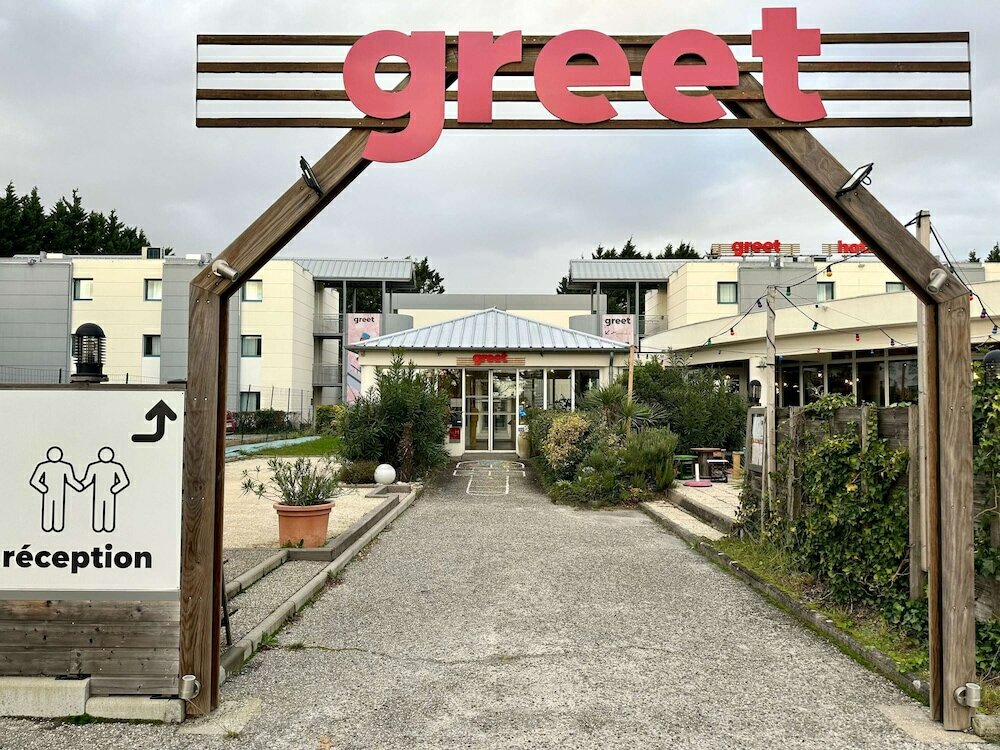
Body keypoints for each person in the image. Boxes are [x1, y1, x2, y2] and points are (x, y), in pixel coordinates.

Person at [29, 447, 84, 533]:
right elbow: (34, 480)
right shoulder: (43, 466)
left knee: (59, 508)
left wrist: (79, 486)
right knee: (47, 508)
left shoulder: (66, 466)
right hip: (48, 493)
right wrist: (43, 488)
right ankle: (47, 526)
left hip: (59, 492)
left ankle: (58, 526)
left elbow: (70, 480)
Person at [81, 447, 130, 533]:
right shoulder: (93, 467)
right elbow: (87, 480)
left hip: (110, 493)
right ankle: (97, 527)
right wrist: (80, 486)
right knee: (98, 509)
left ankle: (109, 527)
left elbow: (124, 481)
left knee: (109, 509)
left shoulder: (116, 467)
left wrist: (114, 489)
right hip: (98, 493)